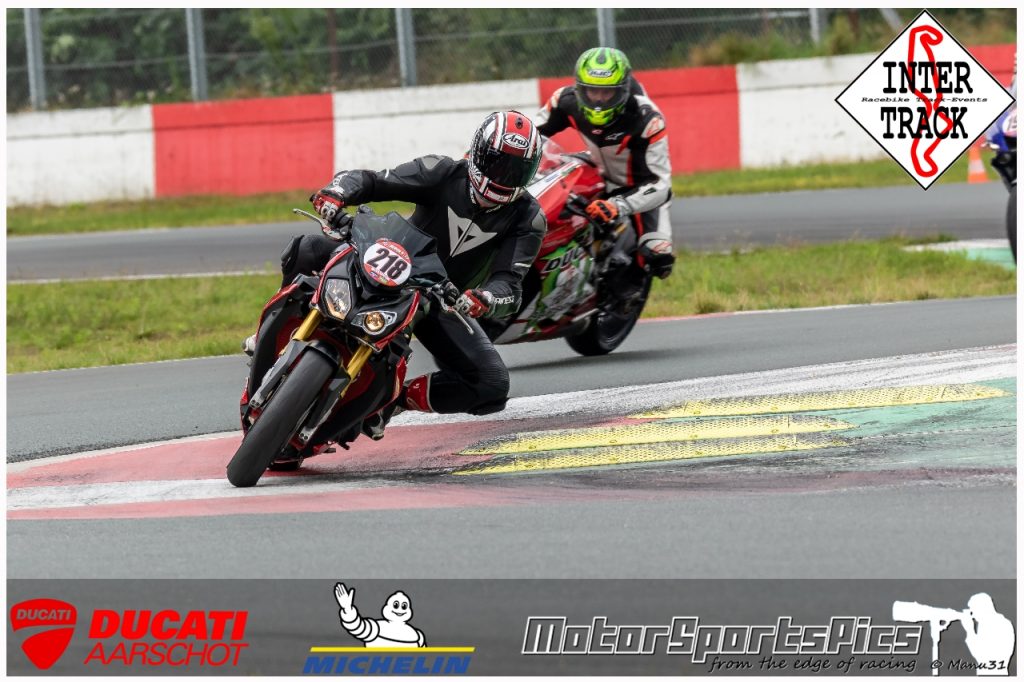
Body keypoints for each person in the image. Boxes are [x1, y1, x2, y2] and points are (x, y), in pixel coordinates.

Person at [254, 111, 546, 430]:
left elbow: (510, 285)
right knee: (307, 247)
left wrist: (485, 298)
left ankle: (394, 400)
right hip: (386, 260)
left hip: (443, 300)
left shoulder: (528, 217)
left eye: (516, 171)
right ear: (478, 153)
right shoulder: (442, 171)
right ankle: (272, 333)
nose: (505, 178)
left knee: (492, 384)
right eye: (499, 164)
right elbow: (374, 181)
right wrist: (337, 193)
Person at [535, 46, 675, 279]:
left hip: (639, 188)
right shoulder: (564, 101)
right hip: (595, 171)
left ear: (623, 90)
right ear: (580, 88)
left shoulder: (648, 119)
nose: (598, 99)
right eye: (591, 91)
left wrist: (618, 205)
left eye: (607, 93)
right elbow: (529, 136)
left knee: (658, 258)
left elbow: (661, 185)